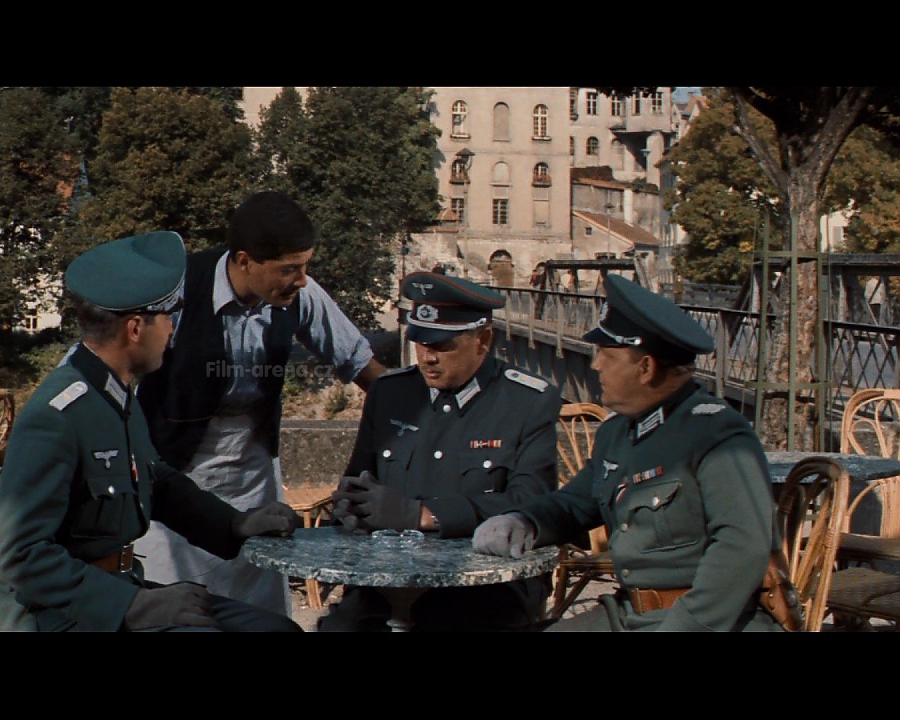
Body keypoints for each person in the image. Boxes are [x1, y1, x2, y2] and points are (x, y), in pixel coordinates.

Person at [0, 230, 302, 632]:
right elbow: (22, 557)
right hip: (61, 615)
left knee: (277, 629)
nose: (171, 331)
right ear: (135, 328)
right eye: (168, 317)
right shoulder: (58, 414)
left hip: (118, 589)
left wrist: (234, 524)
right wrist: (133, 605)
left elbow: (156, 481)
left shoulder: (113, 393)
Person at [472, 274, 783, 632]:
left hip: (701, 621)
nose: (595, 365)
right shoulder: (618, 432)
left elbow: (742, 547)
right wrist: (524, 521)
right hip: (630, 614)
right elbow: (574, 504)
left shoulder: (715, 433)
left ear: (646, 368)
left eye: (606, 354)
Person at [134, 190, 385, 616]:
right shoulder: (177, 292)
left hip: (253, 478)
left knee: (258, 612)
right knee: (179, 610)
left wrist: (414, 416)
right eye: (290, 269)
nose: (301, 280)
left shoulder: (299, 295)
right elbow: (111, 368)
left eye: (305, 266)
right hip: (174, 480)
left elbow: (360, 364)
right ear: (245, 261)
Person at [318, 270, 562, 632]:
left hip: (484, 589)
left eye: (443, 345)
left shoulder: (525, 402)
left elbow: (532, 502)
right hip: (386, 583)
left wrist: (424, 515)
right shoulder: (391, 393)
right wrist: (351, 509)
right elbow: (357, 480)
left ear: (483, 340)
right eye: (420, 342)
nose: (428, 357)